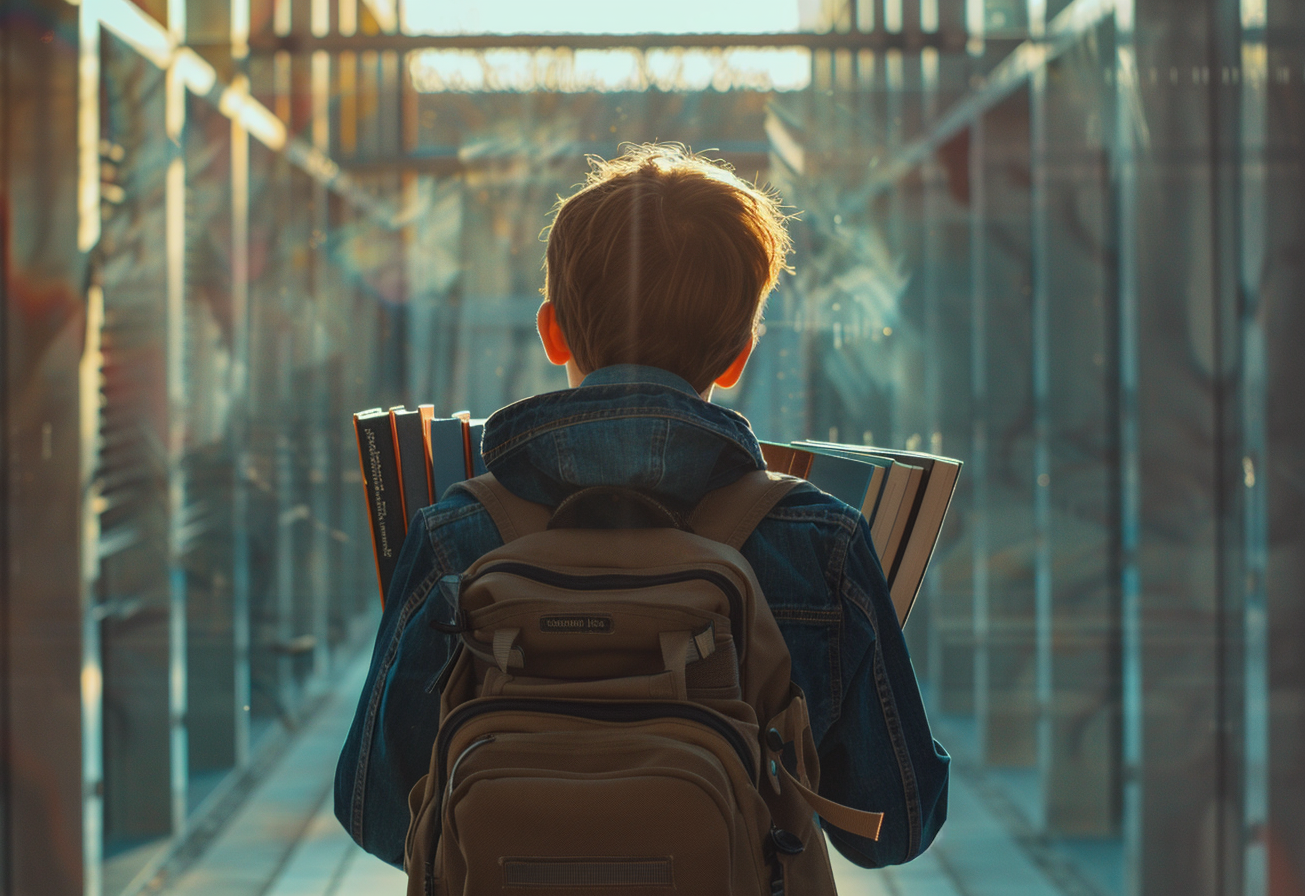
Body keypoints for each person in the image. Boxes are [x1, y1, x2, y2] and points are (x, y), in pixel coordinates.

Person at [334, 143, 949, 870]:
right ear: (739, 353)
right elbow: (894, 825)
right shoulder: (819, 540)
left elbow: (375, 814)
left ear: (552, 328)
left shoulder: (456, 533)